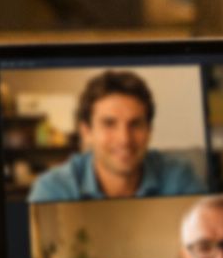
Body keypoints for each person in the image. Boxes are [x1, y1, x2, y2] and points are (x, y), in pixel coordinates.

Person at [28, 70, 205, 202]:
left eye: (135, 124)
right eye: (109, 124)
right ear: (86, 132)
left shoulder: (179, 178)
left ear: (149, 130)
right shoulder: (53, 189)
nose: (124, 139)